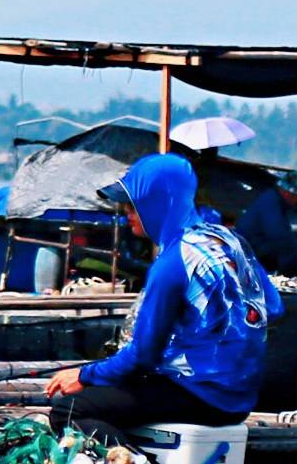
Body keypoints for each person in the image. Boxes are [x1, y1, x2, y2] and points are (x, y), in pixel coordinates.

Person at [44, 151, 276, 427]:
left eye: (132, 205)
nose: (126, 213)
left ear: (155, 203)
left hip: (201, 395)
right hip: (240, 397)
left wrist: (84, 375)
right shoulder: (228, 240)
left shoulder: (172, 263)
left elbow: (142, 356)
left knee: (68, 412)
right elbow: (273, 308)